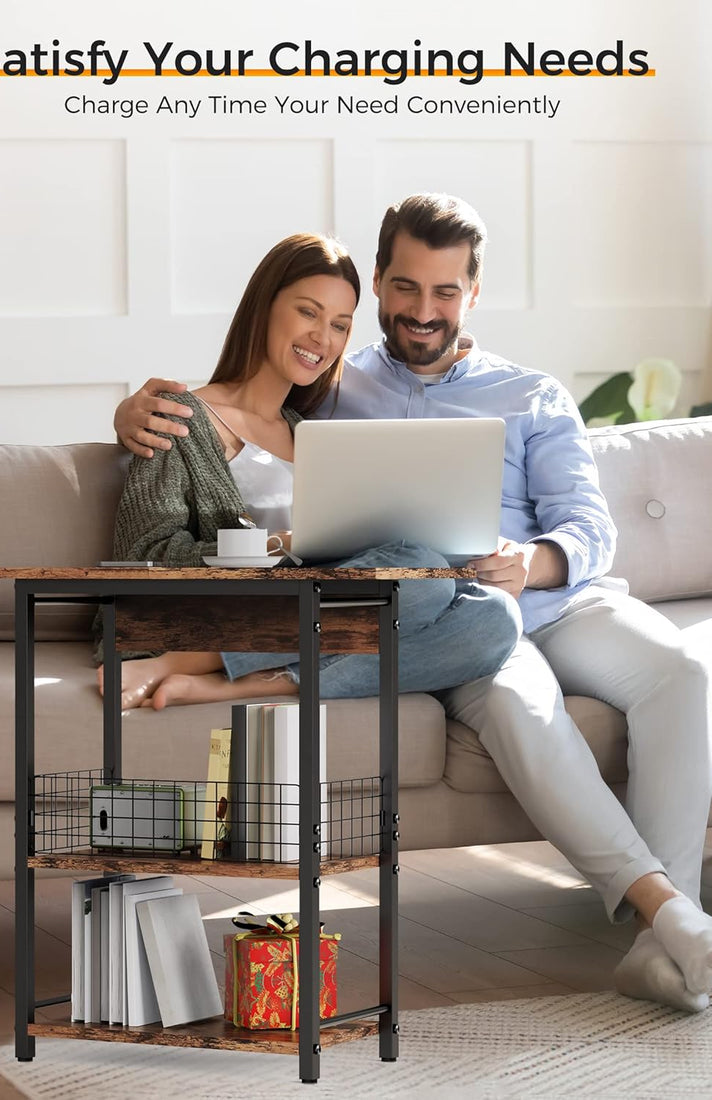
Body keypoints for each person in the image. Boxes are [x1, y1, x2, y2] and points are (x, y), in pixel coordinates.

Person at [114, 194, 712, 1016]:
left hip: (541, 601)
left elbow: (589, 527)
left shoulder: (528, 393)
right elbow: (223, 435)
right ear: (385, 287)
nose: (422, 311)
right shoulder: (333, 384)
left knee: (681, 669)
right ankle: (675, 923)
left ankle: (667, 937)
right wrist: (133, 413)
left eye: (444, 293)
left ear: (473, 294)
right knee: (495, 668)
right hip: (449, 616)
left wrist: (531, 560)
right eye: (404, 289)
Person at [105, 231, 521, 712]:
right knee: (420, 576)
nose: (323, 338)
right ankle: (184, 660)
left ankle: (255, 681)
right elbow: (143, 558)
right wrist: (281, 543)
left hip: (320, 615)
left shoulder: (315, 432)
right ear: (265, 305)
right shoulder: (177, 415)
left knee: (494, 618)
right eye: (308, 312)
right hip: (222, 613)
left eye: (341, 325)